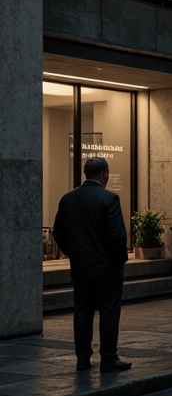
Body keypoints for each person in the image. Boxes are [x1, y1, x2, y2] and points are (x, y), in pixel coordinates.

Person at [51, 156, 131, 372]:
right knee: (109, 310)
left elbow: (57, 232)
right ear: (104, 174)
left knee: (83, 311)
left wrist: (74, 253)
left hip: (81, 268)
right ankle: (108, 358)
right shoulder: (109, 199)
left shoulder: (68, 199)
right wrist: (119, 260)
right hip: (106, 268)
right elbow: (117, 236)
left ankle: (83, 359)